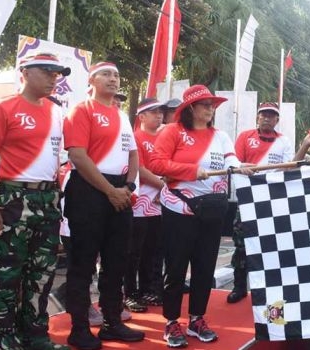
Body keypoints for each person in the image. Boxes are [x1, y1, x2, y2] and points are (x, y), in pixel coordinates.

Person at [150, 85, 253, 348]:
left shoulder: (220, 136)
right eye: (205, 104)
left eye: (212, 105)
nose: (210, 109)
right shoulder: (172, 131)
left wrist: (240, 168)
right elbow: (157, 163)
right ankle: (172, 321)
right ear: (191, 108)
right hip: (179, 209)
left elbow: (231, 160)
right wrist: (191, 171)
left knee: (205, 267)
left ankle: (197, 318)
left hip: (213, 210)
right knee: (175, 268)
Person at [0, 53, 70, 350]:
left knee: (41, 275)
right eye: (47, 72)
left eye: (57, 74)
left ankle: (35, 337)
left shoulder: (57, 112)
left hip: (48, 200)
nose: (54, 78)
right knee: (6, 275)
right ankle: (5, 339)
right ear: (25, 73)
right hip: (13, 199)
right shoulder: (2, 108)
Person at [63, 61, 144, 350]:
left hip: (121, 192)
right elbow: (78, 156)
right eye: (106, 74)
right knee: (83, 264)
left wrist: (128, 187)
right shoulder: (82, 110)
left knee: (116, 262)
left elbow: (134, 156)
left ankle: (112, 322)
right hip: (89, 191)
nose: (113, 79)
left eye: (117, 75)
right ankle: (79, 328)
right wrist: (110, 190)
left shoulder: (121, 115)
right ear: (92, 80)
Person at [227, 102, 295, 304]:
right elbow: (233, 163)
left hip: (273, 199)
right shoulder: (245, 137)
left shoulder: (284, 141)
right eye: (263, 114)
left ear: (277, 120)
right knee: (242, 244)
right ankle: (239, 287)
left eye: (271, 115)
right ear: (257, 117)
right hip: (247, 199)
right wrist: (240, 167)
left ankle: (270, 290)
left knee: (272, 245)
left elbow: (288, 168)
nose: (267, 118)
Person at [124, 98, 166, 312]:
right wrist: (164, 185)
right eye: (154, 112)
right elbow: (139, 168)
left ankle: (148, 289)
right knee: (134, 250)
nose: (159, 115)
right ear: (141, 116)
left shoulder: (163, 137)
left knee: (153, 248)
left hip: (159, 202)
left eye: (161, 112)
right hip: (140, 202)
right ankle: (129, 293)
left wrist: (165, 187)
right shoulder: (136, 137)